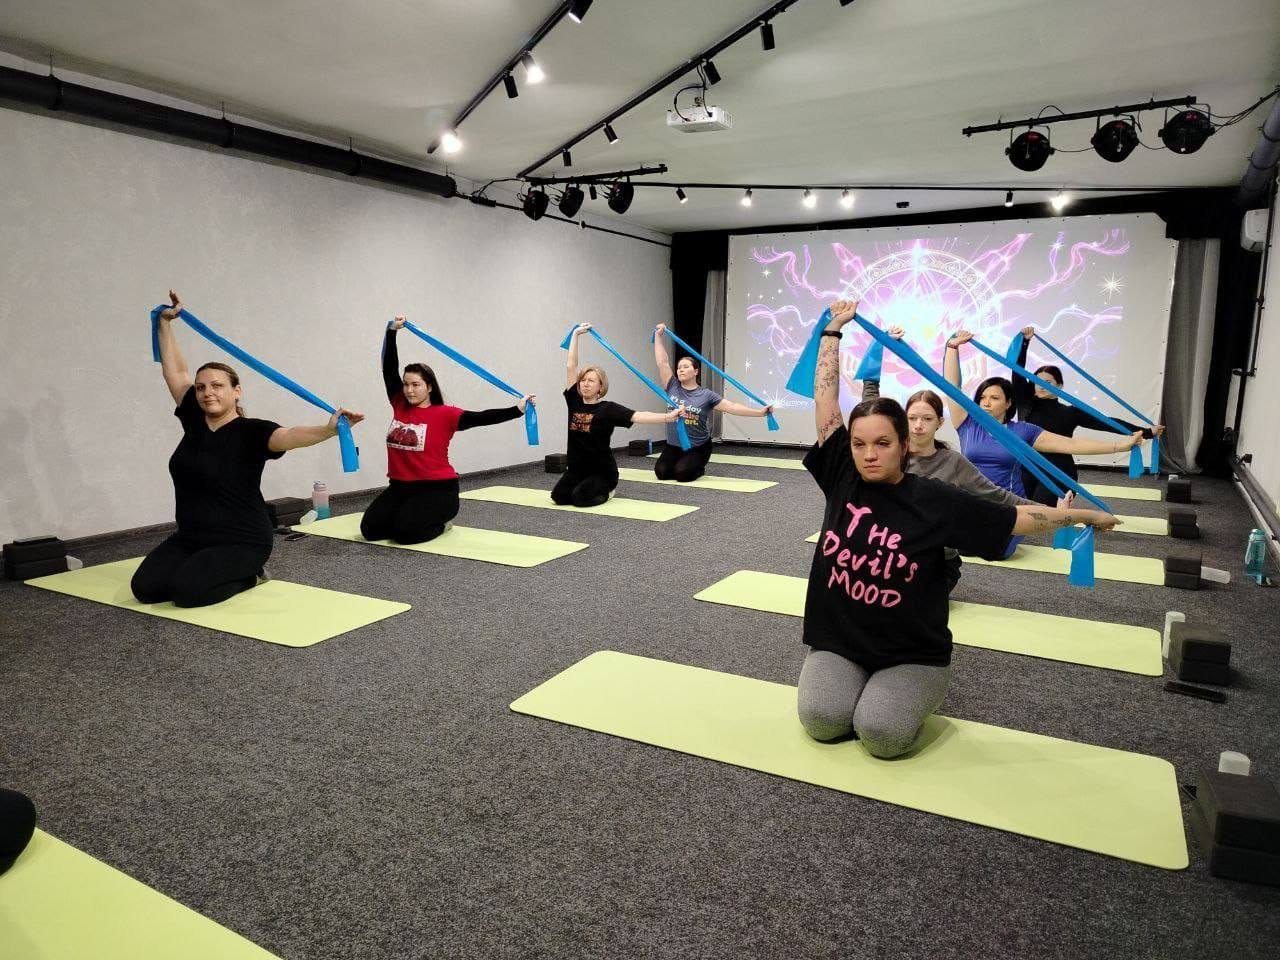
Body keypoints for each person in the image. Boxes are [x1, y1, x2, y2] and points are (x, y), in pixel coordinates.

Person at [798, 300, 1119, 759]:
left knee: (881, 735)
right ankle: (852, 682)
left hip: (911, 652)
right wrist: (832, 334)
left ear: (904, 445)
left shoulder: (934, 498)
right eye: (859, 443)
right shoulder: (841, 475)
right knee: (822, 722)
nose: (869, 454)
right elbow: (826, 403)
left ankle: (914, 688)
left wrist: (1084, 516)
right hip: (841, 642)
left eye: (883, 443)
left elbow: (1015, 518)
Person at [131, 291, 364, 608]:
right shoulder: (194, 420)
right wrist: (164, 323)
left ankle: (252, 575)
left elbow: (291, 435)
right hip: (190, 537)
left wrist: (329, 429)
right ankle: (203, 568)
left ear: (236, 391)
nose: (207, 392)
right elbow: (176, 372)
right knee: (145, 589)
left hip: (242, 540)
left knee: (187, 593)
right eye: (201, 387)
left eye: (217, 386)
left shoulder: (253, 431)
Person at [862, 326, 1034, 588]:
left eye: (927, 418)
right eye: (912, 418)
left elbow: (997, 495)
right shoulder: (891, 455)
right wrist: (880, 345)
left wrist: (1051, 512)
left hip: (938, 560)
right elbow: (869, 404)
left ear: (939, 422)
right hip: (894, 550)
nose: (918, 425)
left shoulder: (952, 462)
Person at [360, 315, 533, 544]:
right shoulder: (399, 403)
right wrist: (392, 332)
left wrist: (517, 410)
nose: (409, 390)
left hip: (437, 490)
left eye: (416, 385)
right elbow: (389, 369)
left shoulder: (445, 414)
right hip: (400, 487)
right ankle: (408, 515)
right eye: (406, 384)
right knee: (370, 530)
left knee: (405, 534)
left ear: (429, 387)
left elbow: (482, 417)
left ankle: (442, 524)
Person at [942, 329, 1144, 501]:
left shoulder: (1022, 431)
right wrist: (952, 348)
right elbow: (951, 387)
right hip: (970, 501)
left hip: (1007, 504)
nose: (986, 403)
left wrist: (1120, 446)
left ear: (1009, 403)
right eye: (982, 397)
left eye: (994, 398)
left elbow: (1070, 445)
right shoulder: (967, 424)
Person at [1011, 326, 1164, 505]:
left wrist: (1148, 432)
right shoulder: (1026, 404)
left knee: (1042, 511)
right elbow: (1017, 371)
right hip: (1026, 468)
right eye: (1037, 381)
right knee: (1021, 510)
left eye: (1048, 382)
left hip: (1059, 471)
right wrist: (1025, 343)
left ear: (1059, 386)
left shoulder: (1070, 412)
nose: (1041, 385)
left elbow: (1106, 423)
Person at [557, 323, 683, 507]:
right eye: (582, 380)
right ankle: (583, 486)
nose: (585, 384)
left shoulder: (608, 409)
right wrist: (575, 335)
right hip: (577, 470)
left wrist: (668, 417)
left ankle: (609, 491)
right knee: (559, 497)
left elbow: (638, 416)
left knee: (580, 499)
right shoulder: (574, 400)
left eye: (591, 381)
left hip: (602, 472)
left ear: (600, 387)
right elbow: (571, 365)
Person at [651, 323, 773, 482]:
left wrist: (760, 413)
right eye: (679, 367)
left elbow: (732, 407)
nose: (680, 369)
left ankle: (698, 467)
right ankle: (682, 462)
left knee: (682, 474)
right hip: (674, 446)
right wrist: (658, 337)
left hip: (697, 447)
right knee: (662, 473)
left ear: (695, 371)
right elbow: (662, 363)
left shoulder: (706, 395)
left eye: (686, 367)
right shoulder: (672, 386)